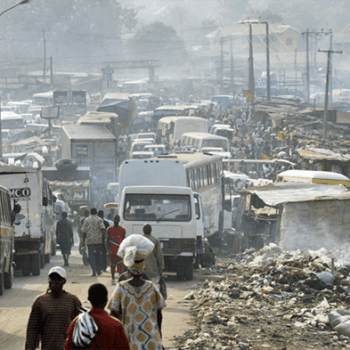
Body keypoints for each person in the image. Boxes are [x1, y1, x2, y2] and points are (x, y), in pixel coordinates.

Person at [107, 240, 166, 350]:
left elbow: (114, 314)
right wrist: (160, 334)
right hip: (151, 340)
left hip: (129, 340)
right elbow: (159, 314)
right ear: (143, 266)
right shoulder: (152, 287)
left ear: (129, 266)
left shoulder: (121, 287)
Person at [25, 266, 81, 350]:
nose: (55, 282)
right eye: (52, 279)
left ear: (64, 281)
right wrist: (30, 347)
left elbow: (81, 327)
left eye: (58, 279)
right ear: (49, 281)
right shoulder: (40, 301)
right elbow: (33, 329)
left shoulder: (73, 301)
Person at [64, 283, 130, 350]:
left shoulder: (78, 321)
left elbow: (68, 347)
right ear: (106, 299)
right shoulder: (116, 324)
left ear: (89, 299)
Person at [81, 208, 106, 276]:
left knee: (91, 256)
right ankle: (98, 270)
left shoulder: (87, 219)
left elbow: (84, 231)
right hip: (98, 241)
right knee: (98, 256)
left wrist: (82, 241)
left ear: (90, 212)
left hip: (90, 241)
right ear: (96, 212)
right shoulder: (99, 219)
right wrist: (104, 240)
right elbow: (103, 229)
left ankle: (94, 270)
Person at [143, 223, 164, 288]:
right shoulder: (155, 240)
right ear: (151, 230)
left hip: (141, 270)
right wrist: (161, 268)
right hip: (153, 270)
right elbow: (159, 256)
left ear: (143, 230)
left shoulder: (139, 240)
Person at [106, 215, 126, 285]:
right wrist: (108, 250)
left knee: (120, 266)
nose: (116, 220)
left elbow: (124, 240)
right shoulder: (109, 229)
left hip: (119, 251)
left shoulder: (123, 229)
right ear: (113, 219)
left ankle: (120, 280)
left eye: (117, 219)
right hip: (112, 250)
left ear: (119, 220)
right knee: (112, 266)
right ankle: (113, 279)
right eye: (115, 219)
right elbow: (107, 240)